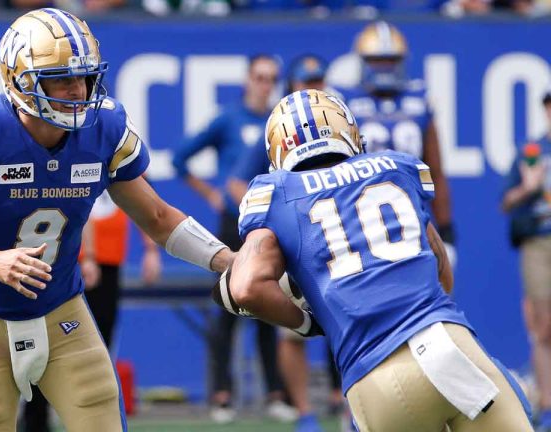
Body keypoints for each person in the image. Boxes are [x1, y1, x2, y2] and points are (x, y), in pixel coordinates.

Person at [0, 8, 233, 432]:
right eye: (60, 78)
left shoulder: (102, 128)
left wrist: (230, 262)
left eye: (85, 77)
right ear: (19, 80)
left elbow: (159, 217)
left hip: (61, 308)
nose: (77, 90)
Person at [213, 88, 533, 431]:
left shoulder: (275, 194)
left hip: (372, 379)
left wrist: (307, 323)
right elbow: (442, 270)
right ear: (349, 131)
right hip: (446, 345)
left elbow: (245, 287)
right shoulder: (396, 167)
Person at [172, 54, 294, 424]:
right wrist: (212, 194)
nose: (264, 85)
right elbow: (180, 158)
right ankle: (222, 395)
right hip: (234, 221)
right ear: (247, 80)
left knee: (269, 304)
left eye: (271, 78)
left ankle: (275, 393)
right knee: (227, 308)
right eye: (259, 77)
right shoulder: (228, 119)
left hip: (268, 224)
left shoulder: (277, 122)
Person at [226, 55, 331, 432]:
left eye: (317, 80)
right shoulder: (280, 125)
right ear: (293, 84)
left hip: (338, 236)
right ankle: (304, 411)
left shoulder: (339, 116)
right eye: (306, 81)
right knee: (294, 330)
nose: (312, 87)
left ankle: (349, 401)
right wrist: (269, 226)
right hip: (300, 243)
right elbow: (238, 183)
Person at [22, 191, 162, 432]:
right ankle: (36, 421)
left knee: (98, 344)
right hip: (67, 260)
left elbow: (143, 202)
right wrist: (88, 255)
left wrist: (150, 249)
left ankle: (86, 419)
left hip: (106, 262)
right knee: (47, 342)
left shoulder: (118, 167)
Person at [338, 21, 456, 266]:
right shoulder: (345, 101)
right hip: (361, 220)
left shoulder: (419, 100)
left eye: (390, 60)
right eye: (377, 60)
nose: (384, 67)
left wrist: (445, 230)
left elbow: (435, 171)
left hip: (412, 217)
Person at [502, 89, 551, 432]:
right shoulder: (532, 152)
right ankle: (547, 406)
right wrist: (529, 187)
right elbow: (506, 201)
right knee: (544, 327)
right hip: (538, 241)